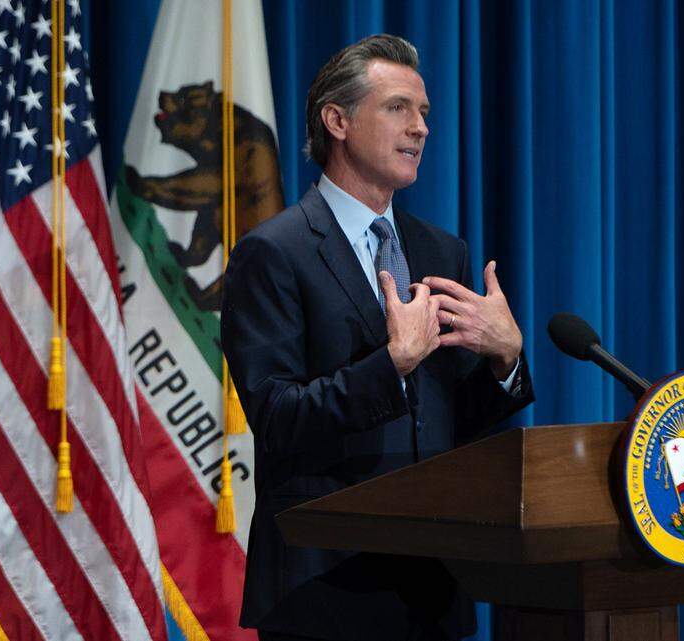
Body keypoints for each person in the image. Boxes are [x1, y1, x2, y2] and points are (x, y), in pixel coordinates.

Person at [221, 34, 534, 641]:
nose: (421, 128)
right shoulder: (274, 253)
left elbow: (450, 422)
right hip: (324, 590)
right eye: (398, 108)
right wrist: (392, 364)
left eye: (424, 113)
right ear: (337, 121)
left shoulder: (441, 251)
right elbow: (278, 418)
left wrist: (505, 361)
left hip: (431, 588)